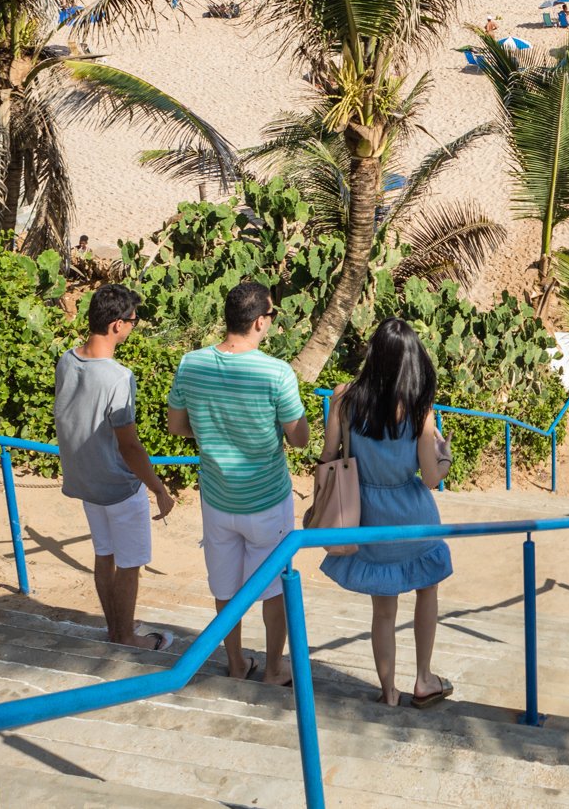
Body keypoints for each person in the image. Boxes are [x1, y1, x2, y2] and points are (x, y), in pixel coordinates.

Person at [166, 282, 309, 685]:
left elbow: (177, 426)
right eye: (272, 315)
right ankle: (273, 670)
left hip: (216, 498)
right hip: (267, 500)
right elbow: (299, 438)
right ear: (260, 321)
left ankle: (235, 664)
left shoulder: (191, 364)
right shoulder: (276, 373)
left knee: (225, 587)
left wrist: (215, 433)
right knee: (273, 589)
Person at [318, 319, 455, 708]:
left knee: (383, 611)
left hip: (367, 517)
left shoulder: (344, 397)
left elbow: (328, 455)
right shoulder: (419, 409)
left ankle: (389, 691)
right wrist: (444, 456)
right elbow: (431, 477)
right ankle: (424, 679)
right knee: (427, 590)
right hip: (413, 516)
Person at [55, 284, 175, 651]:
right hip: (119, 486)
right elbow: (129, 445)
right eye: (134, 320)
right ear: (117, 325)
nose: (134, 326)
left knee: (104, 555)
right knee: (129, 564)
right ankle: (125, 636)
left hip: (85, 480)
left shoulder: (66, 360)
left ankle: (115, 627)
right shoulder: (118, 376)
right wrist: (158, 487)